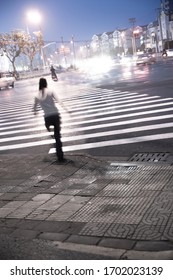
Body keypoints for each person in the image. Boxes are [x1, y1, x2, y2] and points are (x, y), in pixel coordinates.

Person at [33, 77, 69, 162]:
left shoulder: (37, 95)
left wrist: (35, 112)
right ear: (46, 83)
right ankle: (60, 156)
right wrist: (66, 109)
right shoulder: (50, 91)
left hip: (47, 118)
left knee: (53, 134)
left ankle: (53, 138)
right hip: (55, 115)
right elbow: (59, 101)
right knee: (57, 137)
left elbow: (34, 108)